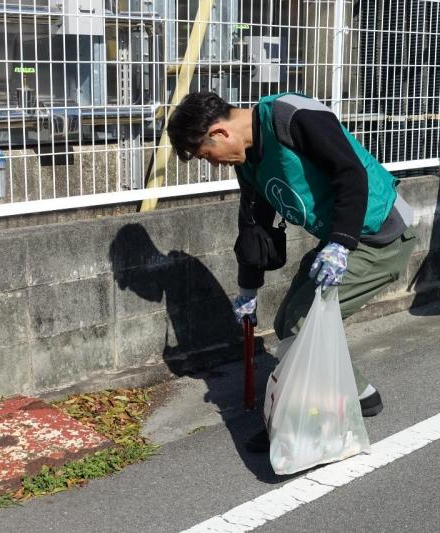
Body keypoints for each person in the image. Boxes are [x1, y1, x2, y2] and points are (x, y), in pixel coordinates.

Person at [166, 91, 416, 452]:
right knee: (286, 325)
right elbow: (254, 225)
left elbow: (350, 173)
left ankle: (299, 426)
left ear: (220, 133)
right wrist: (248, 289)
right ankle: (362, 395)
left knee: (302, 325)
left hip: (380, 236)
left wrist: (340, 243)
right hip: (341, 241)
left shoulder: (291, 117)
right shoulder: (248, 160)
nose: (215, 165)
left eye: (207, 156)